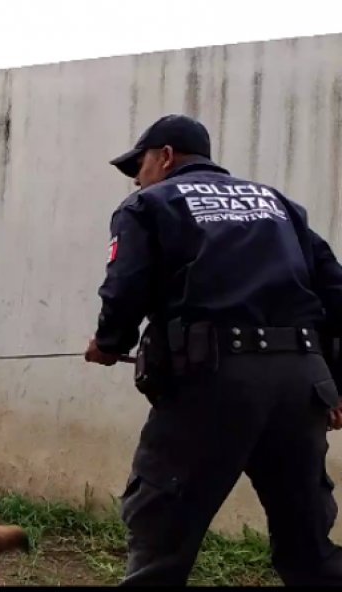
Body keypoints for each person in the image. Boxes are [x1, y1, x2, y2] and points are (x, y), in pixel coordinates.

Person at [84, 114, 342, 586]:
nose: (136, 178)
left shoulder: (149, 203)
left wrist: (108, 342)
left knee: (159, 546)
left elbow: (126, 286)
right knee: (310, 551)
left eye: (137, 165)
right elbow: (335, 293)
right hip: (300, 384)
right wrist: (335, 386)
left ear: (164, 157)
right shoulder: (279, 204)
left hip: (213, 385)